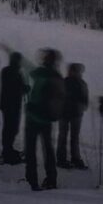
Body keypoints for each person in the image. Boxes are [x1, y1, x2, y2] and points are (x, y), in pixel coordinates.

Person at [24, 48, 65, 191]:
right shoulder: (57, 76)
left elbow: (32, 74)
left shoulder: (42, 74)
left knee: (30, 149)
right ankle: (51, 179)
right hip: (48, 119)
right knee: (48, 149)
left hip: (34, 118)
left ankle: (31, 180)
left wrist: (30, 106)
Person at [57, 63, 89, 169]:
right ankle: (65, 159)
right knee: (66, 137)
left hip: (72, 114)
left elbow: (85, 101)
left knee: (70, 137)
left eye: (73, 70)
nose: (71, 72)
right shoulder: (79, 83)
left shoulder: (70, 82)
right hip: (68, 114)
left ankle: (70, 159)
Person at [0, 52, 29, 164]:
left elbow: (17, 86)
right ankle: (7, 151)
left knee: (12, 128)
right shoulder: (10, 71)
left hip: (12, 104)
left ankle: (8, 148)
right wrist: (24, 88)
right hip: (10, 104)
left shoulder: (11, 71)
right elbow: (14, 86)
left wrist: (24, 88)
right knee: (10, 128)